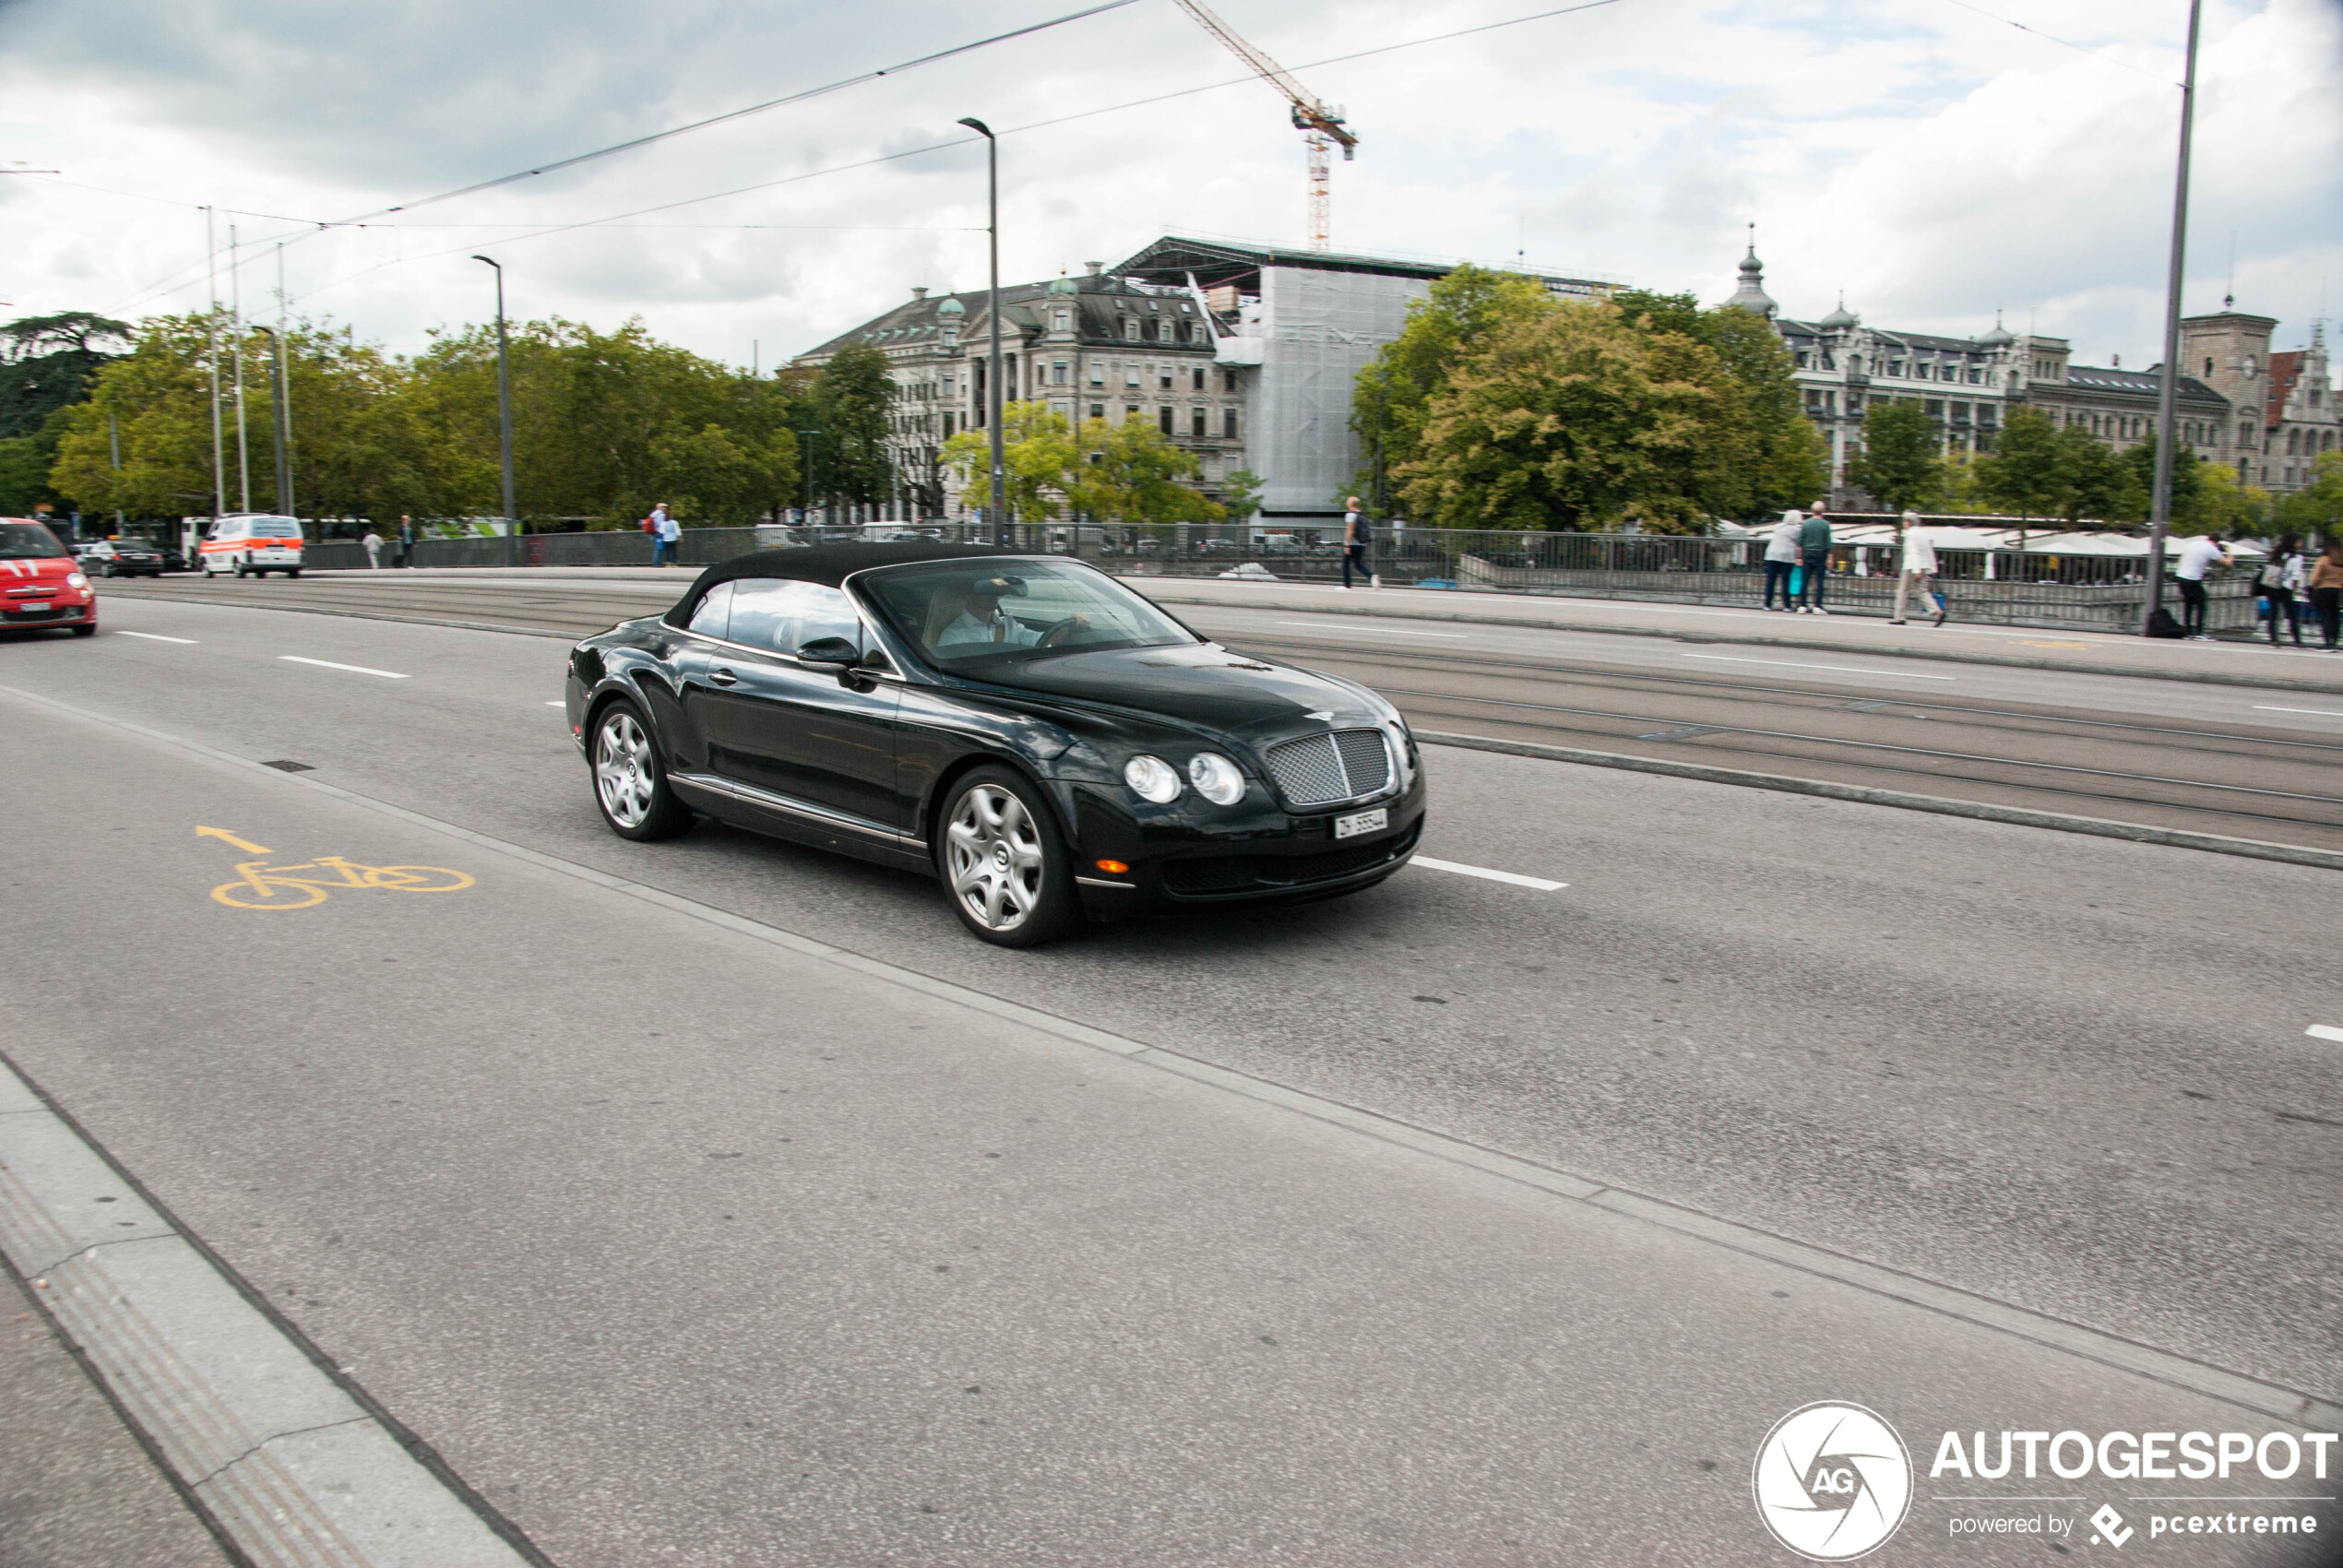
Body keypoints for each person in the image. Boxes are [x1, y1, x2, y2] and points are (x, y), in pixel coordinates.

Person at [1890, 511, 1946, 626]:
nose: (1903, 524)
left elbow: (1913, 552)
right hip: (1924, 565)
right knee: (1921, 590)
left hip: (1912, 566)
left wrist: (1917, 570)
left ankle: (1899, 617)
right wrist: (1932, 567)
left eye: (1904, 522)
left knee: (1902, 591)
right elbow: (1929, 551)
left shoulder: (1910, 534)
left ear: (1908, 522)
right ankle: (1937, 611)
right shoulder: (1924, 534)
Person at [2172, 533, 2231, 639]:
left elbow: (2181, 559)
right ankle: (2199, 632)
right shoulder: (2212, 549)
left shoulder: (2193, 544)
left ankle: (2188, 631)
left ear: (2207, 538)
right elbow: (2227, 563)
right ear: (2217, 542)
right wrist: (2230, 551)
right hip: (2193, 578)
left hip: (2180, 576)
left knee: (2188, 604)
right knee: (2202, 604)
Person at [2254, 538, 2306, 647]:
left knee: (2273, 613)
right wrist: (2294, 588)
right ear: (2294, 543)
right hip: (2285, 587)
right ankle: (2297, 640)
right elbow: (2296, 575)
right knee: (2291, 614)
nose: (2301, 543)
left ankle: (2273, 640)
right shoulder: (2297, 558)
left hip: (2272, 586)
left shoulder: (2277, 554)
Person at [1796, 502, 1834, 613]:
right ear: (1823, 511)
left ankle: (1802, 605)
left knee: (1805, 580)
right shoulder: (1825, 524)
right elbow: (1828, 543)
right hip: (1820, 554)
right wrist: (1830, 558)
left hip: (1807, 553)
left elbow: (1800, 542)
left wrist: (1799, 557)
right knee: (1819, 581)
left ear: (1812, 511)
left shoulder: (1806, 524)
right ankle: (1817, 605)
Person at [1763, 508, 1802, 610]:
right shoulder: (1797, 530)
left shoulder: (1778, 526)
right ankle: (1786, 605)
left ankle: (1767, 603)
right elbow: (1799, 542)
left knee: (1771, 580)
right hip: (1786, 555)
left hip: (1771, 554)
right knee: (1786, 581)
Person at [2310, 540, 2343, 651]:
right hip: (2339, 590)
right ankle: (2335, 641)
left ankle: (2328, 641)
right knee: (2336, 616)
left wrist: (2314, 585)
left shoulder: (2323, 559)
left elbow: (2315, 578)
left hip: (2324, 589)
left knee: (2326, 615)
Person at [1339, 495, 1370, 589]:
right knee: (1358, 564)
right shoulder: (1361, 514)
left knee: (1345, 563)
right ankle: (1372, 577)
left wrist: (1347, 545)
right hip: (1361, 543)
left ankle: (1347, 585)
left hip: (1352, 543)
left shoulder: (1350, 514)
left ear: (1350, 504)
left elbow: (1350, 531)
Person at [648, 502, 678, 566]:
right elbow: (662, 524)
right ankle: (657, 563)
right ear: (660, 508)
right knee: (659, 548)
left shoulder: (653, 514)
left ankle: (656, 562)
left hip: (654, 532)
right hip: (659, 533)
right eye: (664, 507)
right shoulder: (661, 515)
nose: (665, 508)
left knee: (657, 547)